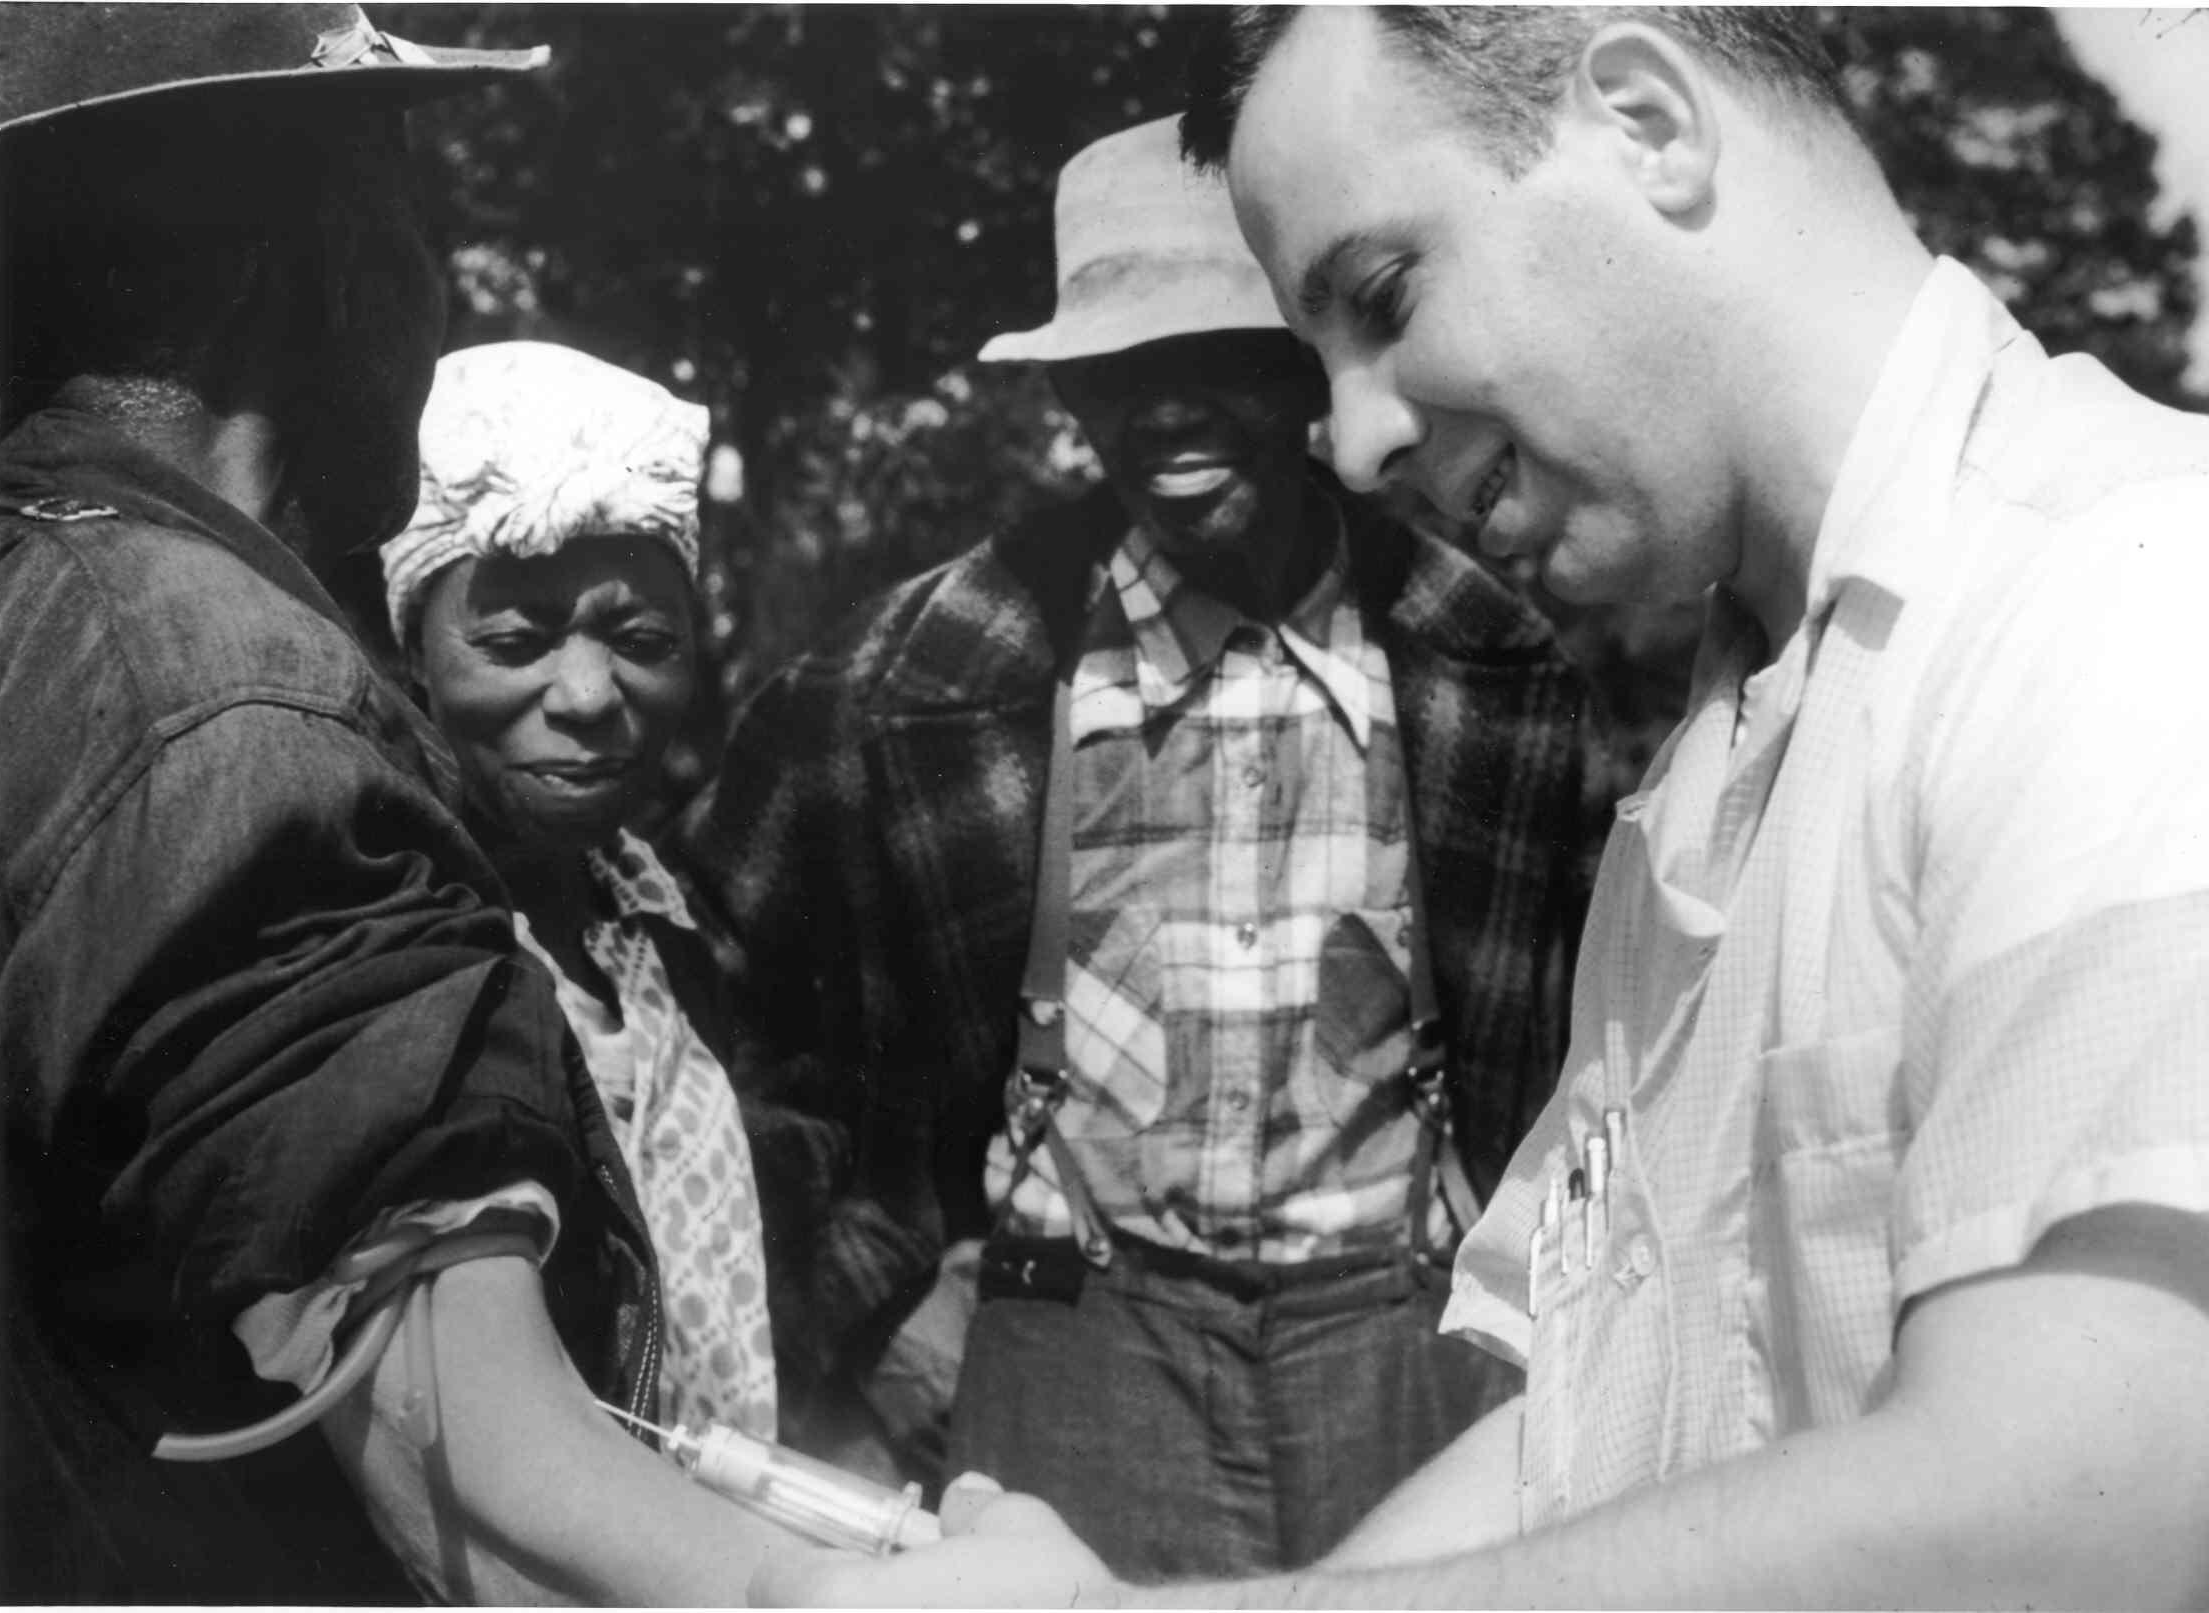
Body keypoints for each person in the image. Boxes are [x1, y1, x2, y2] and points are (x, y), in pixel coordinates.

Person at [755, 7, 2209, 1607]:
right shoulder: (1719, 746)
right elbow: (1572, 1437)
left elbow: (2104, 1505)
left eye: (1383, 297)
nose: (1357, 439)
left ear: (1648, 124)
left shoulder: (2126, 601)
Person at [683, 113, 1609, 1580]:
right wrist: (876, 1311)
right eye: (1118, 369)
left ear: (1308, 369)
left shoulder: (1505, 659)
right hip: (1075, 1338)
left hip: (1413, 1338)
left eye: (1215, 360)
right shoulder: (921, 676)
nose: (1165, 411)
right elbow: (697, 995)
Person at [0, 9, 796, 1602]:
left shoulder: (30, 602)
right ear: (331, 263)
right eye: (421, 230)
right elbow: (479, 1484)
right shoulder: (232, 699)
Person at [376, 340, 775, 1441]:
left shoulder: (663, 919)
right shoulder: (383, 949)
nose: (591, 693)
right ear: (410, 649)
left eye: (642, 637)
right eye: (513, 638)